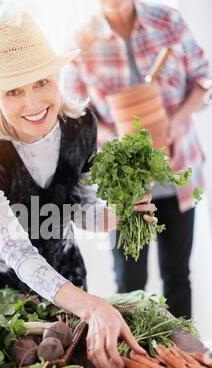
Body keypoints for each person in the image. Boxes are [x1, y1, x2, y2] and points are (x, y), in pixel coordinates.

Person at [0, 11, 157, 368]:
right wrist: (90, 306)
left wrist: (118, 215)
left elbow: (78, 207)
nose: (32, 103)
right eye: (14, 91)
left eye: (41, 82)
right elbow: (16, 250)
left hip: (61, 271)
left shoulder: (81, 127)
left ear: (58, 77)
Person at [63, 0, 211, 319]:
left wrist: (174, 122)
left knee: (177, 277)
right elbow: (75, 113)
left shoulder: (167, 20)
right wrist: (113, 135)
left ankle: (186, 363)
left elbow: (203, 79)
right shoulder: (82, 39)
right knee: (130, 284)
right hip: (124, 188)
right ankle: (134, 361)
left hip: (176, 173)